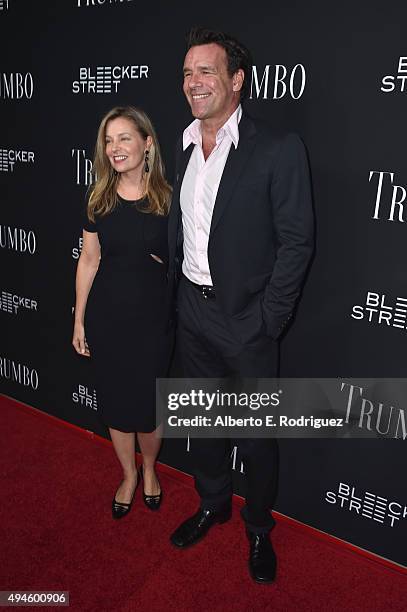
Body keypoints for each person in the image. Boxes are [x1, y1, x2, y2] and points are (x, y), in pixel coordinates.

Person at [168, 28, 314, 583]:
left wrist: (268, 320)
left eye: (206, 71)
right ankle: (212, 504)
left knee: (255, 435)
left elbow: (297, 240)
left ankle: (258, 528)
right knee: (203, 423)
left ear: (236, 80)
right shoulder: (179, 145)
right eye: (187, 73)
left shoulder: (276, 148)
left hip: (246, 320)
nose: (194, 82)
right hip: (193, 311)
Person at [72, 106, 172, 519]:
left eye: (124, 138)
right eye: (109, 141)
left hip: (154, 321)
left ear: (147, 143)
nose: (115, 148)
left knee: (148, 408)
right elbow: (89, 260)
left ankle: (150, 469)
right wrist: (79, 319)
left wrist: (161, 259)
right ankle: (128, 474)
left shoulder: (169, 197)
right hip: (108, 319)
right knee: (115, 403)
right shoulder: (98, 197)